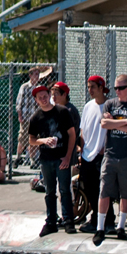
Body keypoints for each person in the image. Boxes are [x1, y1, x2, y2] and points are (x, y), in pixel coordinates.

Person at [93, 74, 127, 245]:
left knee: (126, 193)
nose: (118, 91)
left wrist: (113, 121)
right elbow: (104, 124)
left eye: (121, 88)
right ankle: (100, 228)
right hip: (111, 154)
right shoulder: (110, 103)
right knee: (104, 191)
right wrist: (124, 123)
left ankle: (121, 226)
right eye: (116, 88)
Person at [29, 84, 77, 236]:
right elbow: (31, 140)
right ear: (36, 100)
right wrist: (43, 141)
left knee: (64, 189)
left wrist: (68, 156)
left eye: (45, 96)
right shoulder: (36, 117)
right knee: (49, 191)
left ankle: (68, 220)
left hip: (61, 157)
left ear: (49, 95)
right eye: (40, 97)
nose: (43, 99)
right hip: (46, 159)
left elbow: (72, 134)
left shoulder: (62, 112)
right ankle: (51, 221)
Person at [78, 76, 114, 234]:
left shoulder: (110, 106)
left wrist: (104, 148)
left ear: (101, 88)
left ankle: (109, 221)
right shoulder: (88, 106)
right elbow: (83, 129)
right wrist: (82, 148)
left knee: (104, 190)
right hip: (87, 155)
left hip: (103, 155)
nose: (90, 90)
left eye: (93, 87)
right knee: (90, 189)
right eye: (88, 87)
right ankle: (95, 219)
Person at [15, 67, 44, 166]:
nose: (37, 76)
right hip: (26, 117)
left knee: (34, 138)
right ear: (30, 75)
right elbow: (19, 102)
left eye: (38, 74)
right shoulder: (25, 87)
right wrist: (20, 116)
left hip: (36, 118)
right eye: (35, 74)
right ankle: (18, 157)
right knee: (22, 138)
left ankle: (32, 160)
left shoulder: (40, 88)